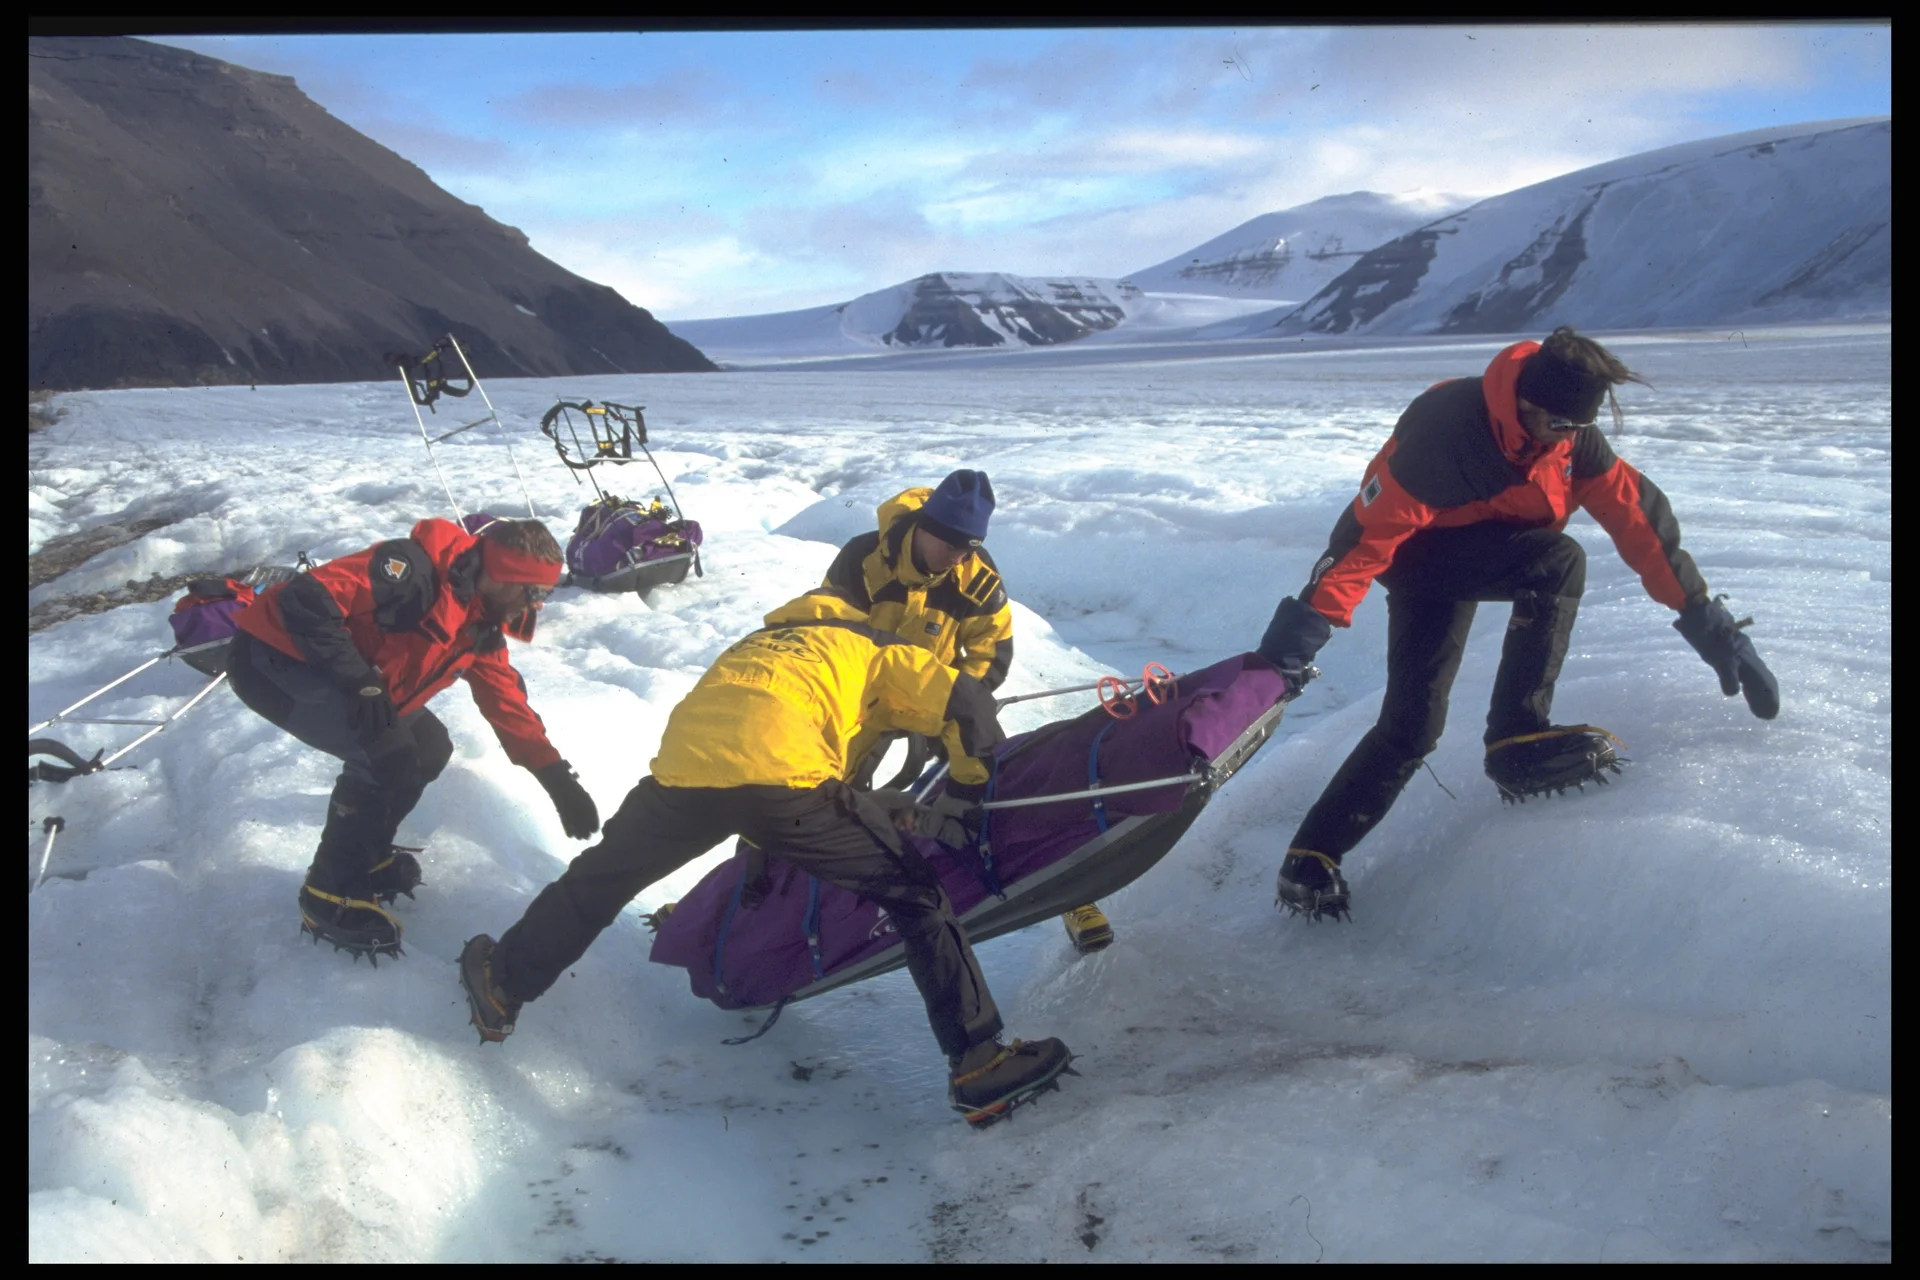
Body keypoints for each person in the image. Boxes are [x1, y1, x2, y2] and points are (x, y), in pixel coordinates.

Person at [458, 585, 1077, 1124]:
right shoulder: (871, 645)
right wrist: (967, 793)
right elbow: (967, 703)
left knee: (599, 881)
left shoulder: (759, 644)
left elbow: (761, 736)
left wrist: (861, 805)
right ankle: (978, 1062)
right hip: (785, 780)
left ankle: (502, 983)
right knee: (917, 897)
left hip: (683, 772)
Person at [1256, 327, 1780, 921]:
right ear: (1524, 403)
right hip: (1418, 556)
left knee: (1425, 710)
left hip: (1486, 552)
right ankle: (1505, 744)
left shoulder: (1570, 442)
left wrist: (1708, 622)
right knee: (1542, 577)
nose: (1567, 437)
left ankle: (1315, 858)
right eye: (1557, 423)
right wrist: (1293, 647)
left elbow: (1640, 522)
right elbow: (1364, 540)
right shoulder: (1449, 431)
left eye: (1578, 426)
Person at [227, 516, 601, 960]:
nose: (538, 604)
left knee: (428, 748)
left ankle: (365, 857)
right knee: (386, 758)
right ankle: (329, 892)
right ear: (505, 576)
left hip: (349, 679)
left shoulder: (480, 618)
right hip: (272, 662)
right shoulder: (409, 571)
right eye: (535, 592)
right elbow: (306, 599)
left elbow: (505, 702)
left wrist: (557, 779)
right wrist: (359, 681)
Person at [822, 470, 1114, 957]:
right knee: (813, 791)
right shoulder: (863, 559)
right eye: (952, 546)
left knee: (996, 782)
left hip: (937, 696)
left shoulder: (975, 573)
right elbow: (828, 636)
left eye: (969, 549)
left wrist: (956, 698)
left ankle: (1072, 899)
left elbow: (990, 650)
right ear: (924, 528)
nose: (959, 558)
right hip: (862, 698)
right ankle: (781, 900)